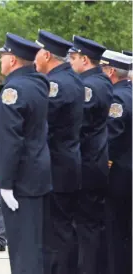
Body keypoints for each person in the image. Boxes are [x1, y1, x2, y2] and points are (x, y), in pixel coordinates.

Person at [0, 33, 52, 274]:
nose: (1, 61)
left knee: (22, 249)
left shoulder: (13, 90)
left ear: (13, 60)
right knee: (35, 246)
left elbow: (10, 141)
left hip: (21, 180)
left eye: (3, 56)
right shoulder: (39, 82)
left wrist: (5, 183)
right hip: (38, 173)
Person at [33, 30, 84, 274]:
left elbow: (42, 123)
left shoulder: (56, 84)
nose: (34, 59)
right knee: (63, 229)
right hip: (67, 164)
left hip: (56, 167)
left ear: (47, 54)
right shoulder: (71, 79)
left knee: (56, 233)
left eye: (37, 53)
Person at [68, 35, 113, 274]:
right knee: (92, 224)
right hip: (95, 161)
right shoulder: (102, 81)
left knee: (86, 226)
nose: (70, 63)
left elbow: (78, 124)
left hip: (86, 163)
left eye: (73, 58)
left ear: (85, 59)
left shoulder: (89, 86)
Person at [100, 50, 132, 274]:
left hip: (119, 175)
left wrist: (102, 166)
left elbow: (110, 138)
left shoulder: (117, 98)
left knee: (115, 232)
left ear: (111, 71)